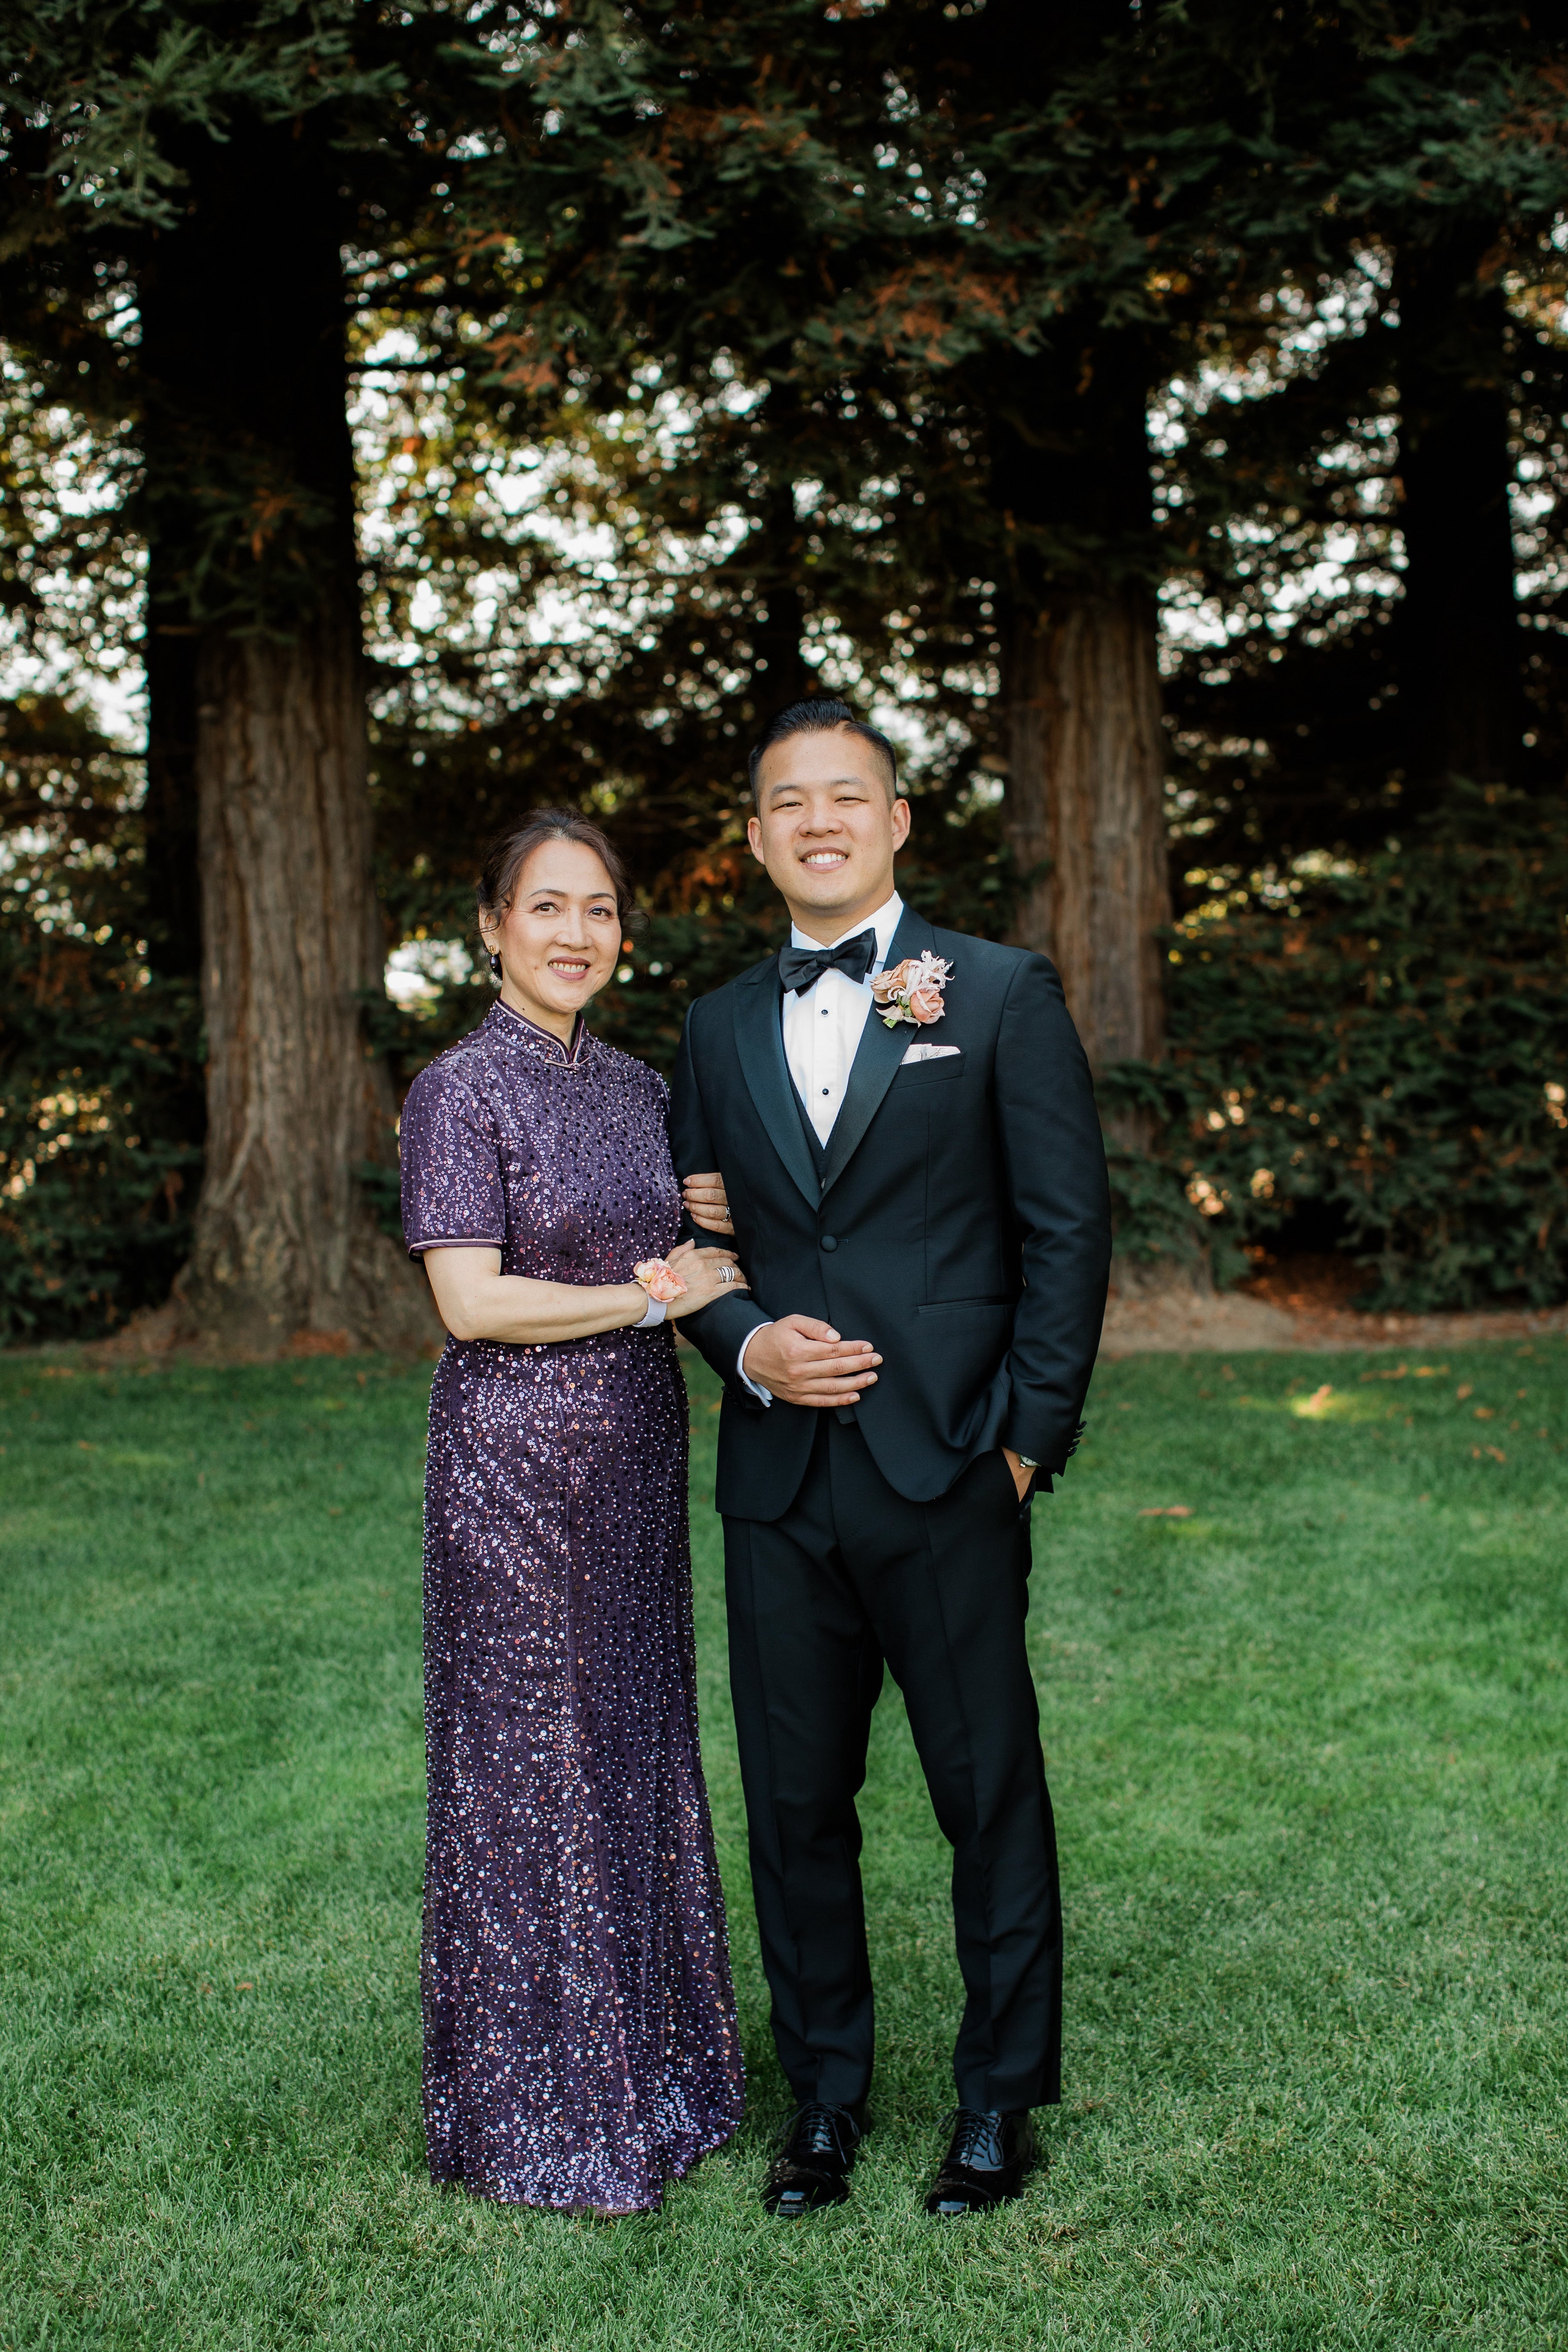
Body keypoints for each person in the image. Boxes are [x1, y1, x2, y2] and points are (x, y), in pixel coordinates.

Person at [671, 699, 1111, 2219]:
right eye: (787, 803)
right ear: (755, 836)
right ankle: (828, 2103)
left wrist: (1024, 1451)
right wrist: (743, 1341)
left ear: (899, 817)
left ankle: (998, 2100)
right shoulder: (717, 1026)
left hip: (951, 1471)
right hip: (779, 1486)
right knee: (795, 1805)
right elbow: (694, 1240)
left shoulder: (993, 994)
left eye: (845, 797)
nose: (817, 822)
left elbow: (1066, 1234)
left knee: (984, 1792)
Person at [398, 809, 746, 2216]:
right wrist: (657, 1294)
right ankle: (532, 2114)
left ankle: (659, 2079)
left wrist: (725, 1221)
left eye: (598, 910)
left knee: (632, 1742)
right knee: (532, 1766)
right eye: (546, 908)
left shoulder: (638, 1087)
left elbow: (693, 1223)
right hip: (515, 1473)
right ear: (492, 927)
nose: (574, 934)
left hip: (637, 1463)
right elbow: (469, 1299)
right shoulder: (456, 1089)